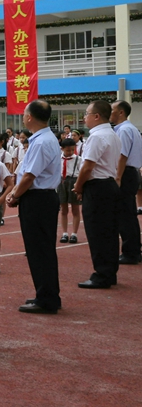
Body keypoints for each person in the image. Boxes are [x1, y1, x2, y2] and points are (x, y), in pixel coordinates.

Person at [5, 100, 62, 314]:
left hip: (38, 199)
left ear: (29, 117)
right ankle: (46, 293)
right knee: (42, 249)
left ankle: (46, 298)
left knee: (39, 250)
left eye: (24, 114)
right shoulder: (45, 139)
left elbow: (30, 175)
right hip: (41, 198)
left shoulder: (40, 142)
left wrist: (14, 195)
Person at [73, 100, 123, 289]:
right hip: (108, 184)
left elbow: (87, 167)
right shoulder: (112, 134)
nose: (84, 117)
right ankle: (110, 272)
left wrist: (78, 187)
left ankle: (101, 274)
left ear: (96, 116)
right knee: (109, 231)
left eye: (86, 113)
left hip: (98, 187)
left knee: (97, 232)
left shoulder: (96, 137)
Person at [111, 100, 142, 265]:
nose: (110, 112)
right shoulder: (132, 129)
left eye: (113, 109)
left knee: (125, 214)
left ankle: (130, 252)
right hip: (132, 172)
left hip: (126, 173)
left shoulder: (123, 130)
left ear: (121, 112)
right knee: (129, 213)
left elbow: (122, 156)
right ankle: (134, 249)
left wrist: (117, 177)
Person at [57, 138, 82, 244]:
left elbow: (81, 172)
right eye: (68, 150)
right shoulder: (58, 158)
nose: (70, 152)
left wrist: (80, 187)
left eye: (72, 150)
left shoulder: (78, 159)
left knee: (75, 208)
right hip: (62, 182)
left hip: (73, 181)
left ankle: (74, 234)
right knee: (63, 209)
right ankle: (65, 233)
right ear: (62, 149)